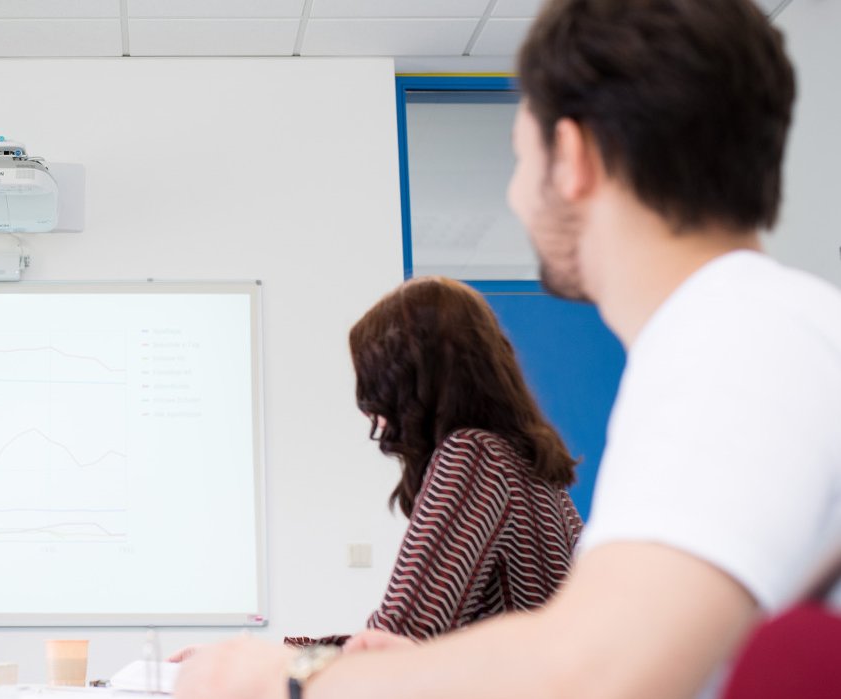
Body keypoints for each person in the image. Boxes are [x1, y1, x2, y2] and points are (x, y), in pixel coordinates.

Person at [174, 0, 841, 697]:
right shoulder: (756, 335)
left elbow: (594, 670)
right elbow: (595, 640)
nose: (518, 195)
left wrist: (288, 675)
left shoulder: (738, 347)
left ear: (572, 159)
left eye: (519, 156)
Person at [287, 277, 582, 650]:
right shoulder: (533, 463)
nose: (375, 417)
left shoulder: (475, 456)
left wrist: (268, 661)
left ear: (409, 381)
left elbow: (395, 639)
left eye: (377, 389)